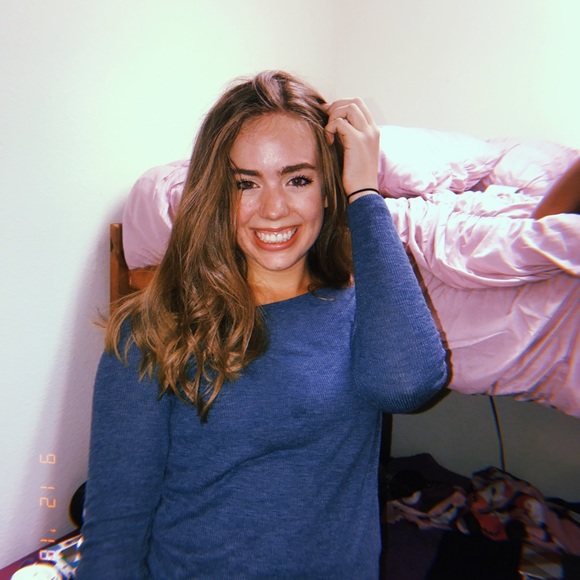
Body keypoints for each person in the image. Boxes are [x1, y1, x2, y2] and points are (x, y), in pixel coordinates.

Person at [76, 71, 448, 579]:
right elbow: (115, 533)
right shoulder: (152, 330)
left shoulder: (367, 312)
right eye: (245, 184)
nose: (274, 209)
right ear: (216, 195)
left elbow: (409, 385)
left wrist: (365, 192)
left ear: (328, 189)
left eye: (298, 179)